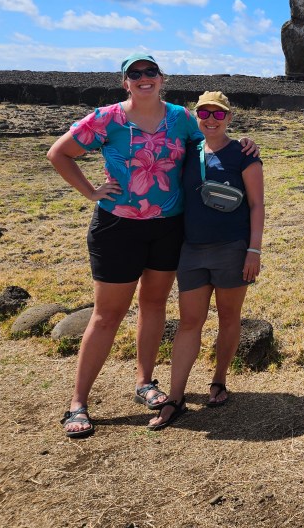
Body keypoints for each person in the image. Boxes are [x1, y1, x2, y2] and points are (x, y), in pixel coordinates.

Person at [48, 54, 256, 439]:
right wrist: (91, 191)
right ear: (125, 82)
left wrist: (244, 142)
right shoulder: (107, 118)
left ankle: (145, 382)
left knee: (154, 304)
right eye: (135, 74)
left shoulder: (180, 118)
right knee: (107, 315)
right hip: (117, 226)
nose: (144, 78)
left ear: (162, 79)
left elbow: (212, 141)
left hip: (167, 227)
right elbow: (59, 153)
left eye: (150, 72)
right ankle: (78, 401)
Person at [149, 91, 264, 429]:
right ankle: (175, 398)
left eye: (219, 114)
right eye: (205, 114)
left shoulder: (244, 155)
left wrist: (253, 251)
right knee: (189, 322)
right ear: (196, 117)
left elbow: (257, 205)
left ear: (229, 118)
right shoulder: (187, 151)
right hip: (193, 250)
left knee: (230, 318)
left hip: (232, 248)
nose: (211, 119)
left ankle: (219, 380)